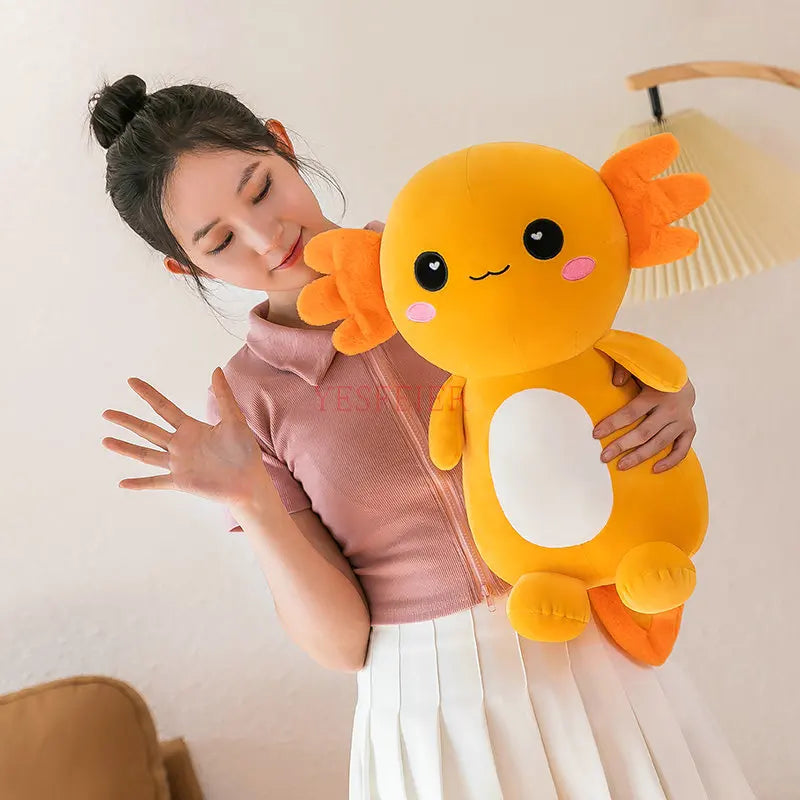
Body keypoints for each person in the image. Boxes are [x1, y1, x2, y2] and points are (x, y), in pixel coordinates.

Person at [91, 74, 756, 799]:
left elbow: (585, 362)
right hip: (433, 704)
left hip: (587, 637)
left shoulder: (451, 266)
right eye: (218, 241)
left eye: (261, 190)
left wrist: (670, 395)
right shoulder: (246, 402)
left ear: (282, 144)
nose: (266, 237)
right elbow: (343, 646)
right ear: (182, 264)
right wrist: (252, 501)